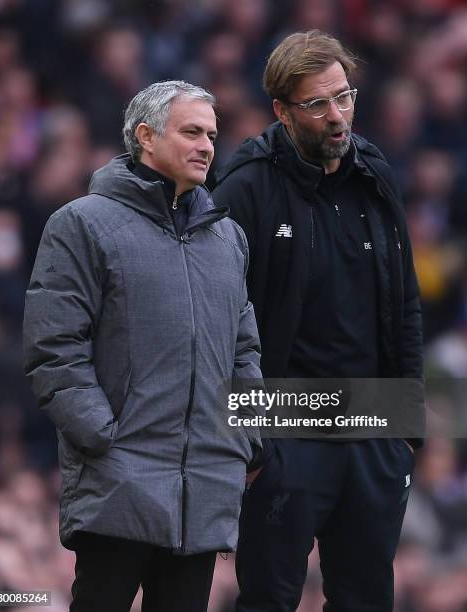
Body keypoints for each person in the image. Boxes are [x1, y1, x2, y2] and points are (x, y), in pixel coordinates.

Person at [23, 80, 264, 612]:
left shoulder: (229, 239)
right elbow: (55, 348)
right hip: (118, 481)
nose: (206, 146)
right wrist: (103, 438)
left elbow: (244, 350)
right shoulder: (81, 223)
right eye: (192, 132)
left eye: (212, 135)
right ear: (146, 137)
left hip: (203, 486)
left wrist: (245, 435)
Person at [213, 31, 424, 611]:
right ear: (282, 111)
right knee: (268, 599)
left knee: (366, 599)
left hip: (373, 421)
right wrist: (251, 445)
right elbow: (220, 324)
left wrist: (407, 431)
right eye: (318, 104)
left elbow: (405, 301)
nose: (337, 116)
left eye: (344, 97)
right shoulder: (245, 186)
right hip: (283, 424)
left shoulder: (376, 174)